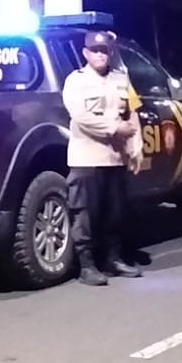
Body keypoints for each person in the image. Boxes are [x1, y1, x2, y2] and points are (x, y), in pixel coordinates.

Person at [61, 29, 144, 286]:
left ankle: (113, 259)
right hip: (87, 158)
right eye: (95, 50)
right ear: (85, 53)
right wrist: (114, 128)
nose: (100, 54)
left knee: (115, 213)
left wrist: (136, 147)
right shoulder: (76, 81)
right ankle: (87, 266)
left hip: (115, 158)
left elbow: (132, 113)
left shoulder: (121, 79)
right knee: (85, 215)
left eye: (104, 50)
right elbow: (81, 117)